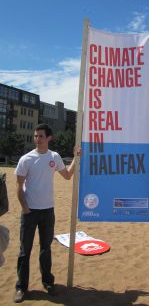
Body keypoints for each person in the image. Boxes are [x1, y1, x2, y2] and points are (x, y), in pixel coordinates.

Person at [13, 123, 79, 303]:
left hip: (48, 211)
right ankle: (21, 287)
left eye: (41, 136)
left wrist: (75, 157)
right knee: (24, 251)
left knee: (45, 249)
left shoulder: (54, 157)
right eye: (36, 136)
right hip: (30, 212)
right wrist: (25, 209)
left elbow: (67, 175)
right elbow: (18, 187)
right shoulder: (26, 159)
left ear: (48, 138)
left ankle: (48, 283)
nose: (37, 139)